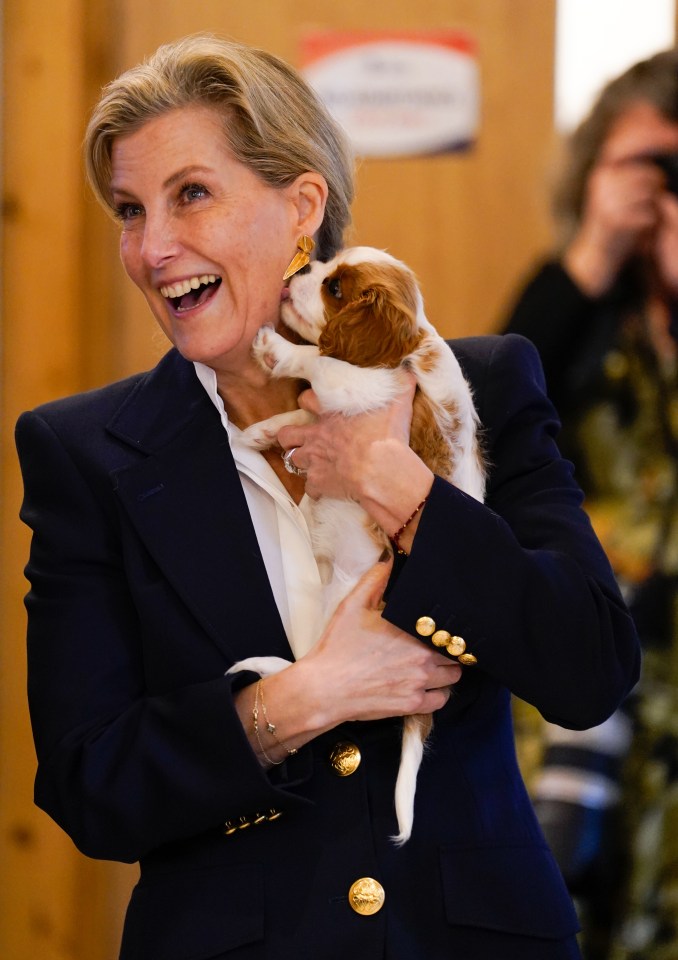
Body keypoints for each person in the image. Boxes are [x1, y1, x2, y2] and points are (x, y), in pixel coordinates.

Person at [15, 34, 640, 960]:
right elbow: (91, 786)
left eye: (192, 194)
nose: (152, 249)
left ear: (303, 205)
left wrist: (403, 490)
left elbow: (589, 668)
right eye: (129, 209)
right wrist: (302, 700)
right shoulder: (82, 453)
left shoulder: (481, 387)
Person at [502, 49, 678, 960]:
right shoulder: (574, 304)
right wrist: (600, 249)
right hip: (583, 700)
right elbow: (487, 420)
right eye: (645, 164)